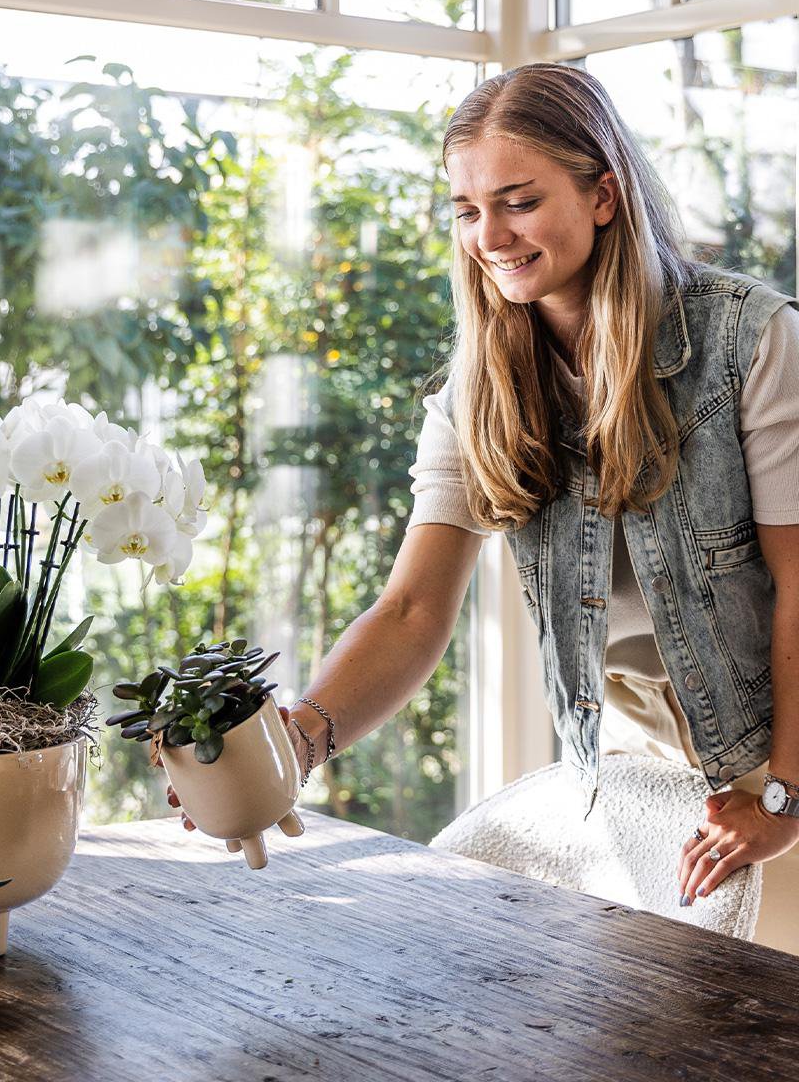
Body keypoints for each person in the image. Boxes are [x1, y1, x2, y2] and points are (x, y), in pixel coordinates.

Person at [169, 62, 799, 954]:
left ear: (605, 195)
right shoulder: (482, 389)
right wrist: (296, 744)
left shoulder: (752, 342)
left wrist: (782, 796)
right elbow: (412, 608)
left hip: (779, 750)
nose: (490, 236)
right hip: (626, 764)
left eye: (518, 201)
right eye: (467, 211)